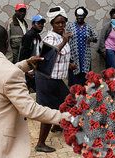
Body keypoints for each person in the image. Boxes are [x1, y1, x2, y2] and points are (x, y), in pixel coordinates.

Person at [0, 24, 70, 158]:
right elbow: (30, 110)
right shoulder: (10, 73)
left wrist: (26, 63)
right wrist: (66, 117)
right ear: (7, 43)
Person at [34, 6, 73, 153]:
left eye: (63, 22)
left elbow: (59, 58)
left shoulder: (61, 35)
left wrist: (69, 64)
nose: (61, 25)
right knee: (49, 109)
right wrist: (64, 41)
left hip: (55, 78)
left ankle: (57, 124)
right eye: (58, 23)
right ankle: (40, 143)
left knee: (66, 101)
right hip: (46, 79)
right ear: (52, 24)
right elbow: (49, 56)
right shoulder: (51, 37)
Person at [66, 6, 98, 86]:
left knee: (85, 79)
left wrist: (90, 39)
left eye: (81, 16)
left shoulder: (88, 27)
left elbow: (95, 38)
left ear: (84, 16)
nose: (79, 18)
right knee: (74, 79)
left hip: (85, 56)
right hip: (73, 56)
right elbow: (65, 38)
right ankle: (74, 95)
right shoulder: (70, 26)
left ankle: (84, 95)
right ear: (75, 16)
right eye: (78, 16)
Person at [19, 14, 46, 92]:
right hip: (28, 71)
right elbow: (23, 54)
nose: (41, 25)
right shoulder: (29, 36)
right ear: (33, 24)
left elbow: (38, 51)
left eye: (42, 23)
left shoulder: (36, 35)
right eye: (39, 23)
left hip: (34, 70)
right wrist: (26, 71)